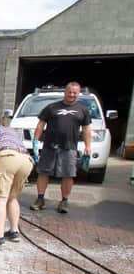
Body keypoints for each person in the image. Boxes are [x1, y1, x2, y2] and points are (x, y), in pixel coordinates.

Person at [30, 81, 91, 213]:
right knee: (43, 172)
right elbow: (40, 124)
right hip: (49, 146)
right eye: (70, 92)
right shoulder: (51, 107)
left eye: (75, 93)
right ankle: (40, 199)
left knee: (68, 175)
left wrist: (88, 146)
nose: (72, 95)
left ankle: (64, 202)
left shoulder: (83, 110)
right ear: (65, 92)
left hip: (69, 148)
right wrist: (35, 141)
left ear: (78, 94)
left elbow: (86, 129)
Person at [0, 125, 34, 250]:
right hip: (26, 160)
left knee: (0, 199)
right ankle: (14, 231)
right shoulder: (14, 134)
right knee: (12, 197)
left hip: (7, 156)